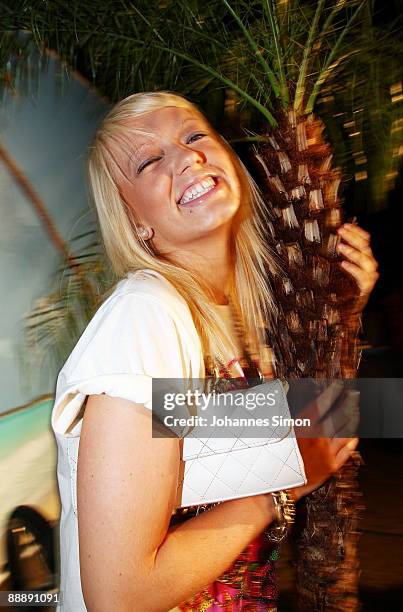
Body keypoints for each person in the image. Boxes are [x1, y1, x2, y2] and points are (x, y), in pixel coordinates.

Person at [51, 91, 378, 611]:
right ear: (134, 220)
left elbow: (319, 424)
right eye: (150, 161)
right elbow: (119, 594)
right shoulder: (145, 316)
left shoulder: (241, 317)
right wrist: (278, 492)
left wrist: (341, 312)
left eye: (194, 135)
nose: (186, 158)